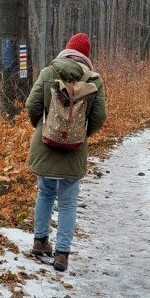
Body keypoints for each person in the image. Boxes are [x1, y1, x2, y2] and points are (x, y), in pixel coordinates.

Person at [25, 33, 108, 272]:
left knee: (45, 193)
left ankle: (40, 241)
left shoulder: (49, 72)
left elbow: (32, 105)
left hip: (46, 145)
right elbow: (100, 117)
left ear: (67, 51)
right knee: (69, 203)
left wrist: (41, 126)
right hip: (74, 151)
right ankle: (61, 254)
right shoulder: (94, 80)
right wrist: (82, 134)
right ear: (86, 57)